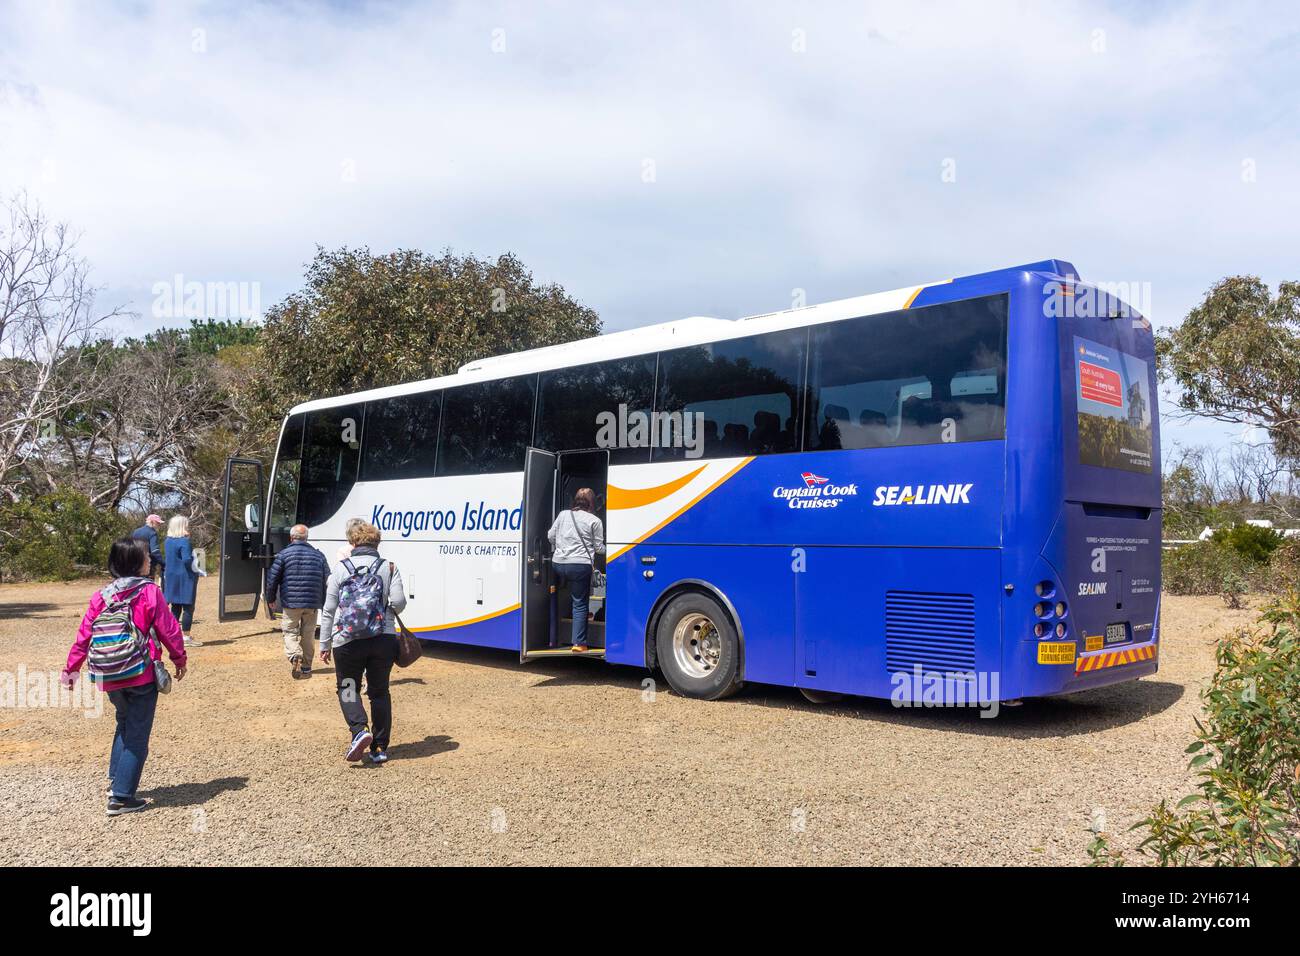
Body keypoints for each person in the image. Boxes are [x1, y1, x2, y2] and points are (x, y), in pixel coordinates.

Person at [61, 537, 187, 816]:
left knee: (124, 721)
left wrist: (71, 670)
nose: (150, 560)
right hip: (140, 673)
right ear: (136, 562)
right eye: (146, 556)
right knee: (138, 735)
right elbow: (168, 629)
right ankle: (121, 798)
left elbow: (84, 635)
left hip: (108, 674)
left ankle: (116, 781)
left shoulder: (101, 595)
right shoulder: (150, 591)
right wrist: (179, 658)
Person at [319, 522, 407, 764]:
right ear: (377, 543)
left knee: (348, 686)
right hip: (383, 638)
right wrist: (385, 611)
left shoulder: (340, 569)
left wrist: (324, 643)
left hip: (347, 641)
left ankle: (359, 730)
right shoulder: (389, 567)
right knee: (379, 691)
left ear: (353, 543)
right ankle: (379, 748)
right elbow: (399, 602)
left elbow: (329, 610)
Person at [264, 523, 330, 680]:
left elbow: (272, 579)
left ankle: (295, 655)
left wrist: (270, 599)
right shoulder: (318, 555)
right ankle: (306, 667)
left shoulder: (284, 555)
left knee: (290, 631)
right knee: (308, 634)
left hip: (291, 603)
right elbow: (328, 578)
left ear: (291, 537)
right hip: (312, 603)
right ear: (306, 538)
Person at [547, 487, 605, 652]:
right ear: (593, 503)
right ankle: (579, 643)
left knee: (564, 594)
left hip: (558, 564)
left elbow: (550, 536)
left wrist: (563, 546)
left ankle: (554, 634)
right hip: (579, 566)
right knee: (580, 603)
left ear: (575, 500)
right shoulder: (595, 521)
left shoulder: (563, 515)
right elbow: (599, 548)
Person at [162, 515, 204, 648]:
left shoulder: (167, 541)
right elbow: (186, 559)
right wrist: (197, 565)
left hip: (171, 576)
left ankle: (174, 636)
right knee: (188, 608)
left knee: (175, 607)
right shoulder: (184, 541)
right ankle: (186, 636)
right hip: (185, 577)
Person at [131, 514, 166, 584]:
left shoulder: (136, 531)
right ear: (152, 522)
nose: (159, 525)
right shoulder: (152, 533)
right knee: (147, 586)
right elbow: (155, 552)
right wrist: (163, 563)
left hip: (135, 563)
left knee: (136, 586)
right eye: (158, 523)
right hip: (148, 565)